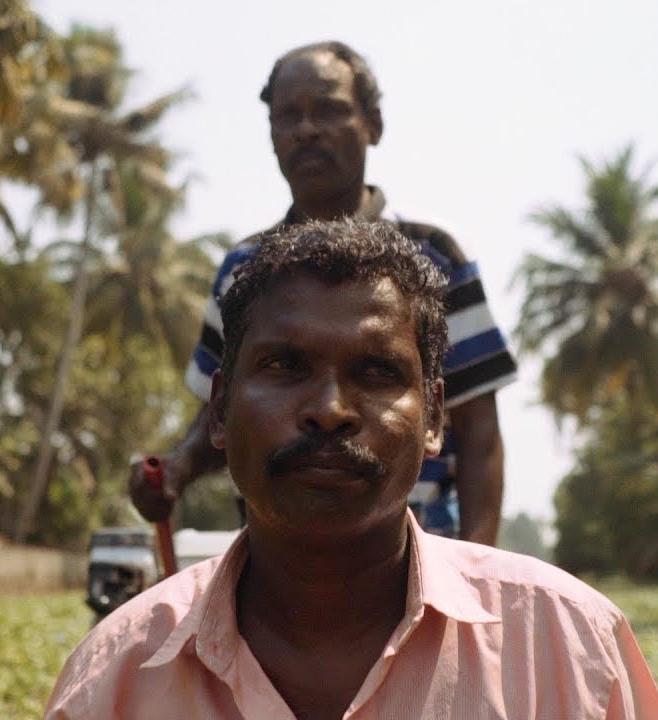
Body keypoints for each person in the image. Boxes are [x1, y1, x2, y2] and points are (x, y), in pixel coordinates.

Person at [46, 220, 658, 719]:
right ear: (218, 410)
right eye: (285, 366)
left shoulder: (569, 648)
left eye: (376, 373)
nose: (329, 411)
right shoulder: (114, 678)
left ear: (432, 418)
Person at [130, 40, 516, 544]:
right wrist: (176, 468)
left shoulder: (435, 255)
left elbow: (479, 433)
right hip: (279, 567)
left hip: (415, 555)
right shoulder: (242, 268)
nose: (307, 129)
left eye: (330, 110)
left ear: (373, 124)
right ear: (271, 137)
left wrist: (475, 570)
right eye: (288, 116)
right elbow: (220, 416)